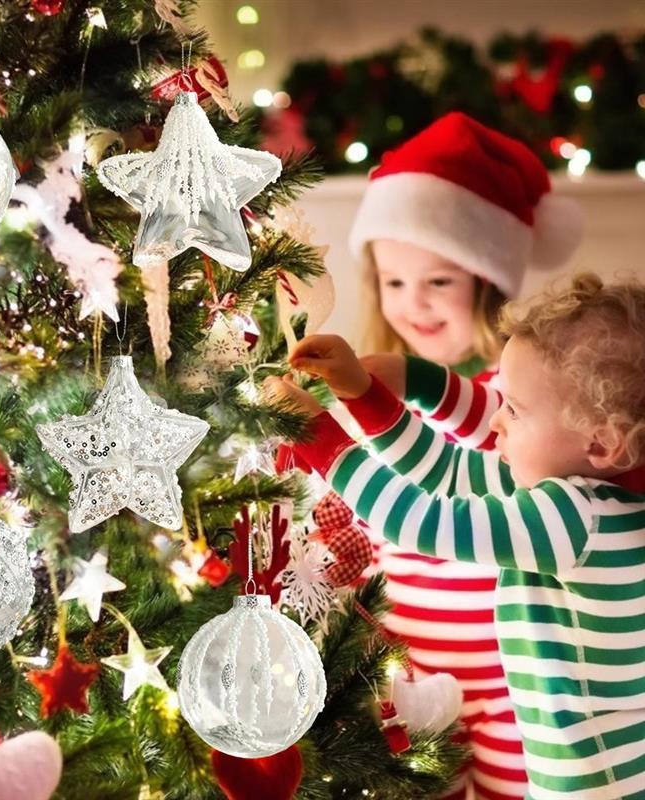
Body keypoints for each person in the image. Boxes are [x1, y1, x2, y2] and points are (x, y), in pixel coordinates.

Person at [267, 273, 645, 800]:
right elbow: (451, 472)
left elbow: (420, 519)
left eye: (513, 410)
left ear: (601, 444)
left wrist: (322, 439)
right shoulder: (598, 495)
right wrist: (365, 395)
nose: (496, 426)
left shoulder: (572, 520)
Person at [334, 111, 582, 800]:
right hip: (411, 667)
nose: (413, 303)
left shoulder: (517, 391)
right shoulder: (371, 396)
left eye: (438, 282)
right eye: (394, 282)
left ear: (485, 281)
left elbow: (495, 467)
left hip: (510, 669)